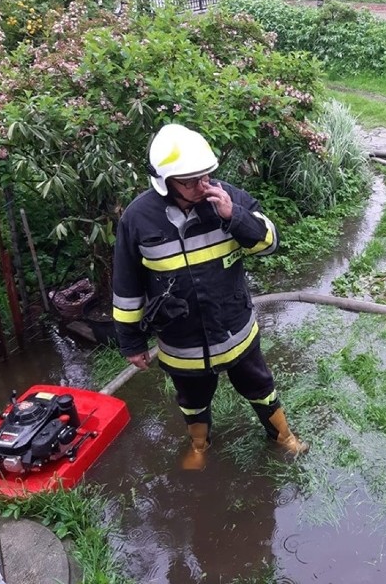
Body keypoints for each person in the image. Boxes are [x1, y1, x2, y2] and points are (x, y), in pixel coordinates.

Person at [112, 123, 308, 470]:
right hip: (181, 340)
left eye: (205, 177)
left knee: (260, 385)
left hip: (234, 327)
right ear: (164, 181)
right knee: (192, 398)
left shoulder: (226, 196)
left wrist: (235, 216)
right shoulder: (137, 219)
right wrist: (131, 342)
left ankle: (284, 437)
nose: (202, 187)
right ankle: (200, 447)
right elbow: (127, 287)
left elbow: (271, 243)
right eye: (189, 182)